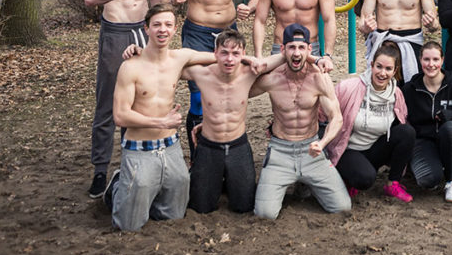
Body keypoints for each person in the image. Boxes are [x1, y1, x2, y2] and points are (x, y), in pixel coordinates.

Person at [107, 4, 223, 231]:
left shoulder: (180, 58)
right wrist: (160, 122)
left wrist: (253, 60)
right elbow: (120, 116)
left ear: (175, 29)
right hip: (139, 148)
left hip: (170, 148)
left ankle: (146, 191)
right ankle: (118, 186)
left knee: (174, 215)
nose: (163, 30)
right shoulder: (130, 67)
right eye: (157, 25)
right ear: (146, 28)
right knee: (128, 225)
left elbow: (223, 57)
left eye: (168, 25)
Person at [82, 0, 162, 198]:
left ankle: (134, 162)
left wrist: (159, 23)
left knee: (143, 98)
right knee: (108, 102)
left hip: (142, 31)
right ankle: (100, 170)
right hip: (115, 32)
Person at [164, 0, 260, 158]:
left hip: (229, 33)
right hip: (197, 32)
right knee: (199, 96)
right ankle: (199, 157)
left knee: (229, 91)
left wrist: (248, 7)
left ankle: (225, 152)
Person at [250, 24, 351, 218]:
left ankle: (307, 183)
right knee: (265, 214)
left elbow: (336, 118)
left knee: (342, 207)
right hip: (280, 151)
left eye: (301, 48)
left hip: (311, 150)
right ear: (283, 50)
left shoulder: (319, 78)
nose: (297, 53)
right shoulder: (272, 78)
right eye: (291, 48)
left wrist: (322, 144)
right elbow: (239, 93)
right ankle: (297, 182)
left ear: (309, 50)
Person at [178, 29, 283, 215]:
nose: (229, 59)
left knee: (244, 206)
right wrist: (138, 52)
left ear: (243, 54)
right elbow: (167, 64)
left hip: (238, 147)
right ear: (215, 53)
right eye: (224, 53)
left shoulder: (249, 73)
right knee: (200, 207)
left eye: (236, 54)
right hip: (208, 147)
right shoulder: (202, 74)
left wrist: (252, 59)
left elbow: (282, 57)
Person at [327, 42, 416, 202]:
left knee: (407, 132)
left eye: (388, 69)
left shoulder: (396, 94)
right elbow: (323, 115)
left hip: (374, 149)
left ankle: (393, 184)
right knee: (365, 179)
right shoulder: (348, 87)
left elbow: (402, 122)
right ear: (371, 65)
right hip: (348, 149)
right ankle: (347, 177)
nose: (382, 73)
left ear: (395, 71)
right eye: (379, 67)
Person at [402, 41, 452, 202]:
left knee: (451, 128)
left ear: (442, 60)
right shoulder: (410, 89)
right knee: (428, 180)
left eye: (435, 60)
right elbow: (402, 122)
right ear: (420, 60)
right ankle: (433, 168)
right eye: (426, 60)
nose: (431, 64)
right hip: (424, 142)